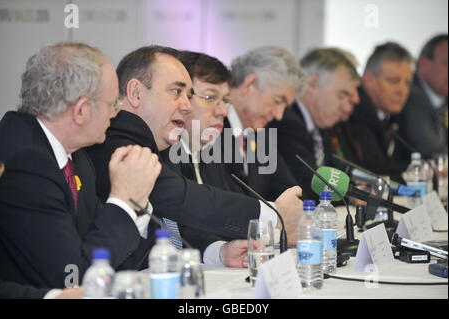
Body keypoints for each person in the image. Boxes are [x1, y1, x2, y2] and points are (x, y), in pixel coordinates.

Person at [86, 45, 303, 265]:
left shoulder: (159, 144)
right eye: (176, 92)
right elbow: (180, 198)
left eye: (189, 96)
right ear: (136, 93)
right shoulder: (118, 140)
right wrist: (274, 213)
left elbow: (180, 223)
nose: (187, 106)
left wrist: (218, 252)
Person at [0, 42, 161, 291]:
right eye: (112, 104)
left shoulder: (77, 158)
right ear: (82, 110)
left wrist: (134, 205)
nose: (115, 114)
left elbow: (118, 261)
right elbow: (73, 279)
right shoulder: (24, 163)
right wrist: (124, 201)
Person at [268, 48, 361, 199]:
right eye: (342, 95)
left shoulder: (321, 124)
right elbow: (309, 184)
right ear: (312, 84)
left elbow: (334, 173)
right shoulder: (286, 121)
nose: (346, 106)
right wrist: (353, 196)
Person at [220, 46, 307, 201]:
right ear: (249, 85)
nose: (279, 115)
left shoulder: (261, 136)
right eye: (278, 100)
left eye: (284, 107)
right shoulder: (211, 126)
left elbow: (290, 192)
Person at [347, 42, 414, 183]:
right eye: (394, 81)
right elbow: (375, 169)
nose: (402, 91)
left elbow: (412, 158)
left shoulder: (396, 114)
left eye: (407, 83)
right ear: (369, 80)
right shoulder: (355, 112)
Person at [398, 34, 448, 158]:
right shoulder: (410, 95)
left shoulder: (444, 98)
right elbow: (430, 149)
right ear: (424, 65)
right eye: (447, 64)